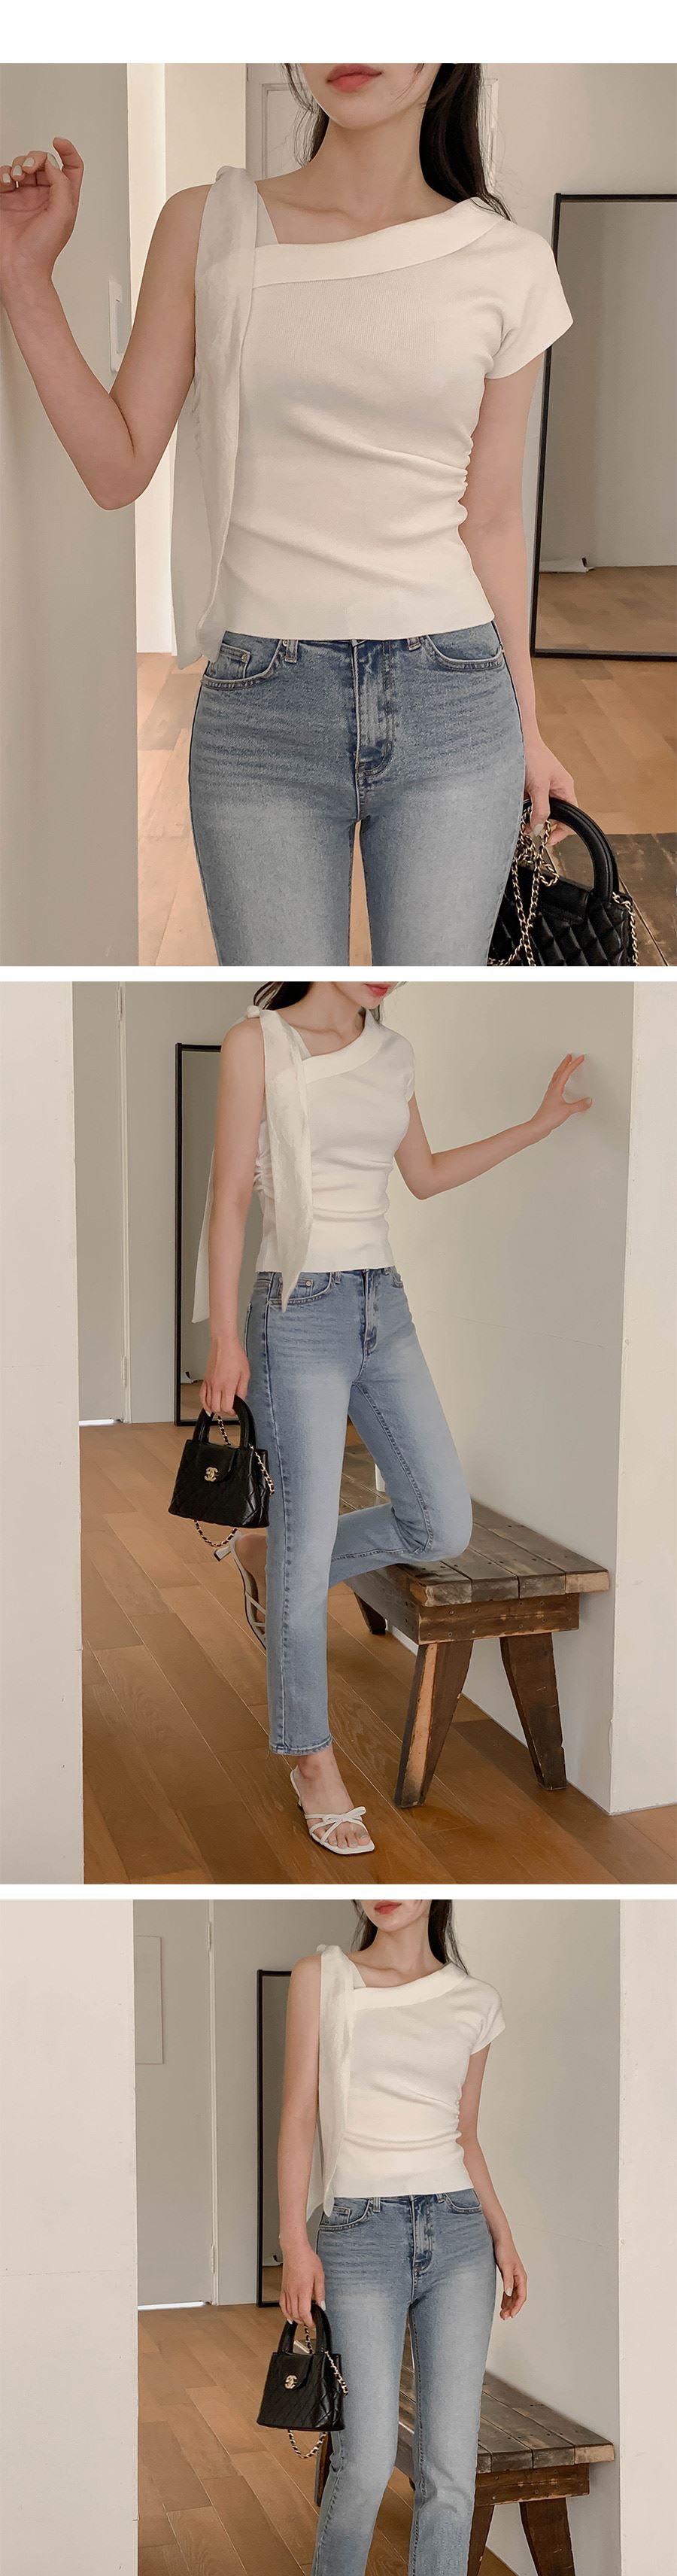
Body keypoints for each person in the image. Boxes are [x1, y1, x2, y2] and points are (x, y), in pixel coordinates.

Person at [0, 64, 575, 968]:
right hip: (262, 706)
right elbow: (117, 468)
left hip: (456, 700)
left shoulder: (510, 263)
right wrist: (24, 276)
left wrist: (530, 728)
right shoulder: (205, 225)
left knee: (426, 1005)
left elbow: (492, 519)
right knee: (286, 1006)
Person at [197, 977, 592, 1852]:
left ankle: (272, 1559)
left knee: (440, 1520)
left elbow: (424, 1174)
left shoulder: (394, 1051)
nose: (387, 970)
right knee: (307, 1554)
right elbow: (230, 1198)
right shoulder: (256, 1044)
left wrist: (537, 1125)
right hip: (295, 1309)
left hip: (384, 1306)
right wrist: (224, 1337)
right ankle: (311, 1758)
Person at [278, 1894, 527, 2576]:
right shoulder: (323, 1977)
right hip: (358, 2232)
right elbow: (298, 2116)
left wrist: (502, 2233)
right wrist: (294, 2242)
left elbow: (465, 2134)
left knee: (451, 2470)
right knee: (366, 2451)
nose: (387, 1886)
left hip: (457, 2233)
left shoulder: (474, 2000)